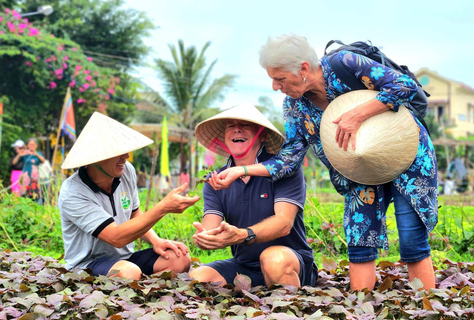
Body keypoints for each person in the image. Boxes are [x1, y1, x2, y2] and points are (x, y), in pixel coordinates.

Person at [209, 35, 438, 291]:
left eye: (280, 78)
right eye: (272, 79)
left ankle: (427, 306)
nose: (275, 86)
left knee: (411, 236)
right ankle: (361, 304)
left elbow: (404, 85)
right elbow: (288, 159)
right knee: (359, 235)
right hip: (358, 168)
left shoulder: (345, 63)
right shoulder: (295, 106)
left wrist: (357, 114)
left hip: (405, 152)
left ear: (304, 68)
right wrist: (240, 170)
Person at [58, 112, 200, 280]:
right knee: (128, 272)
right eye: (117, 152)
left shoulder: (126, 172)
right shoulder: (73, 192)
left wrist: (156, 240)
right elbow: (115, 237)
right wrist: (163, 207)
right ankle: (137, 282)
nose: (125, 157)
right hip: (87, 264)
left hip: (125, 259)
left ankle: (139, 286)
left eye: (125, 150)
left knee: (180, 258)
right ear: (96, 158)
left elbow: (134, 213)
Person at [189, 104, 318, 288]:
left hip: (289, 260)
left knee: (273, 259)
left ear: (262, 135)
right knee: (197, 277)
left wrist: (243, 235)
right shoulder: (216, 181)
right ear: (225, 138)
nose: (237, 129)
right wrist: (206, 238)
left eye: (245, 124)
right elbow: (210, 227)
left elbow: (284, 224)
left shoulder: (284, 170)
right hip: (245, 266)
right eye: (230, 125)